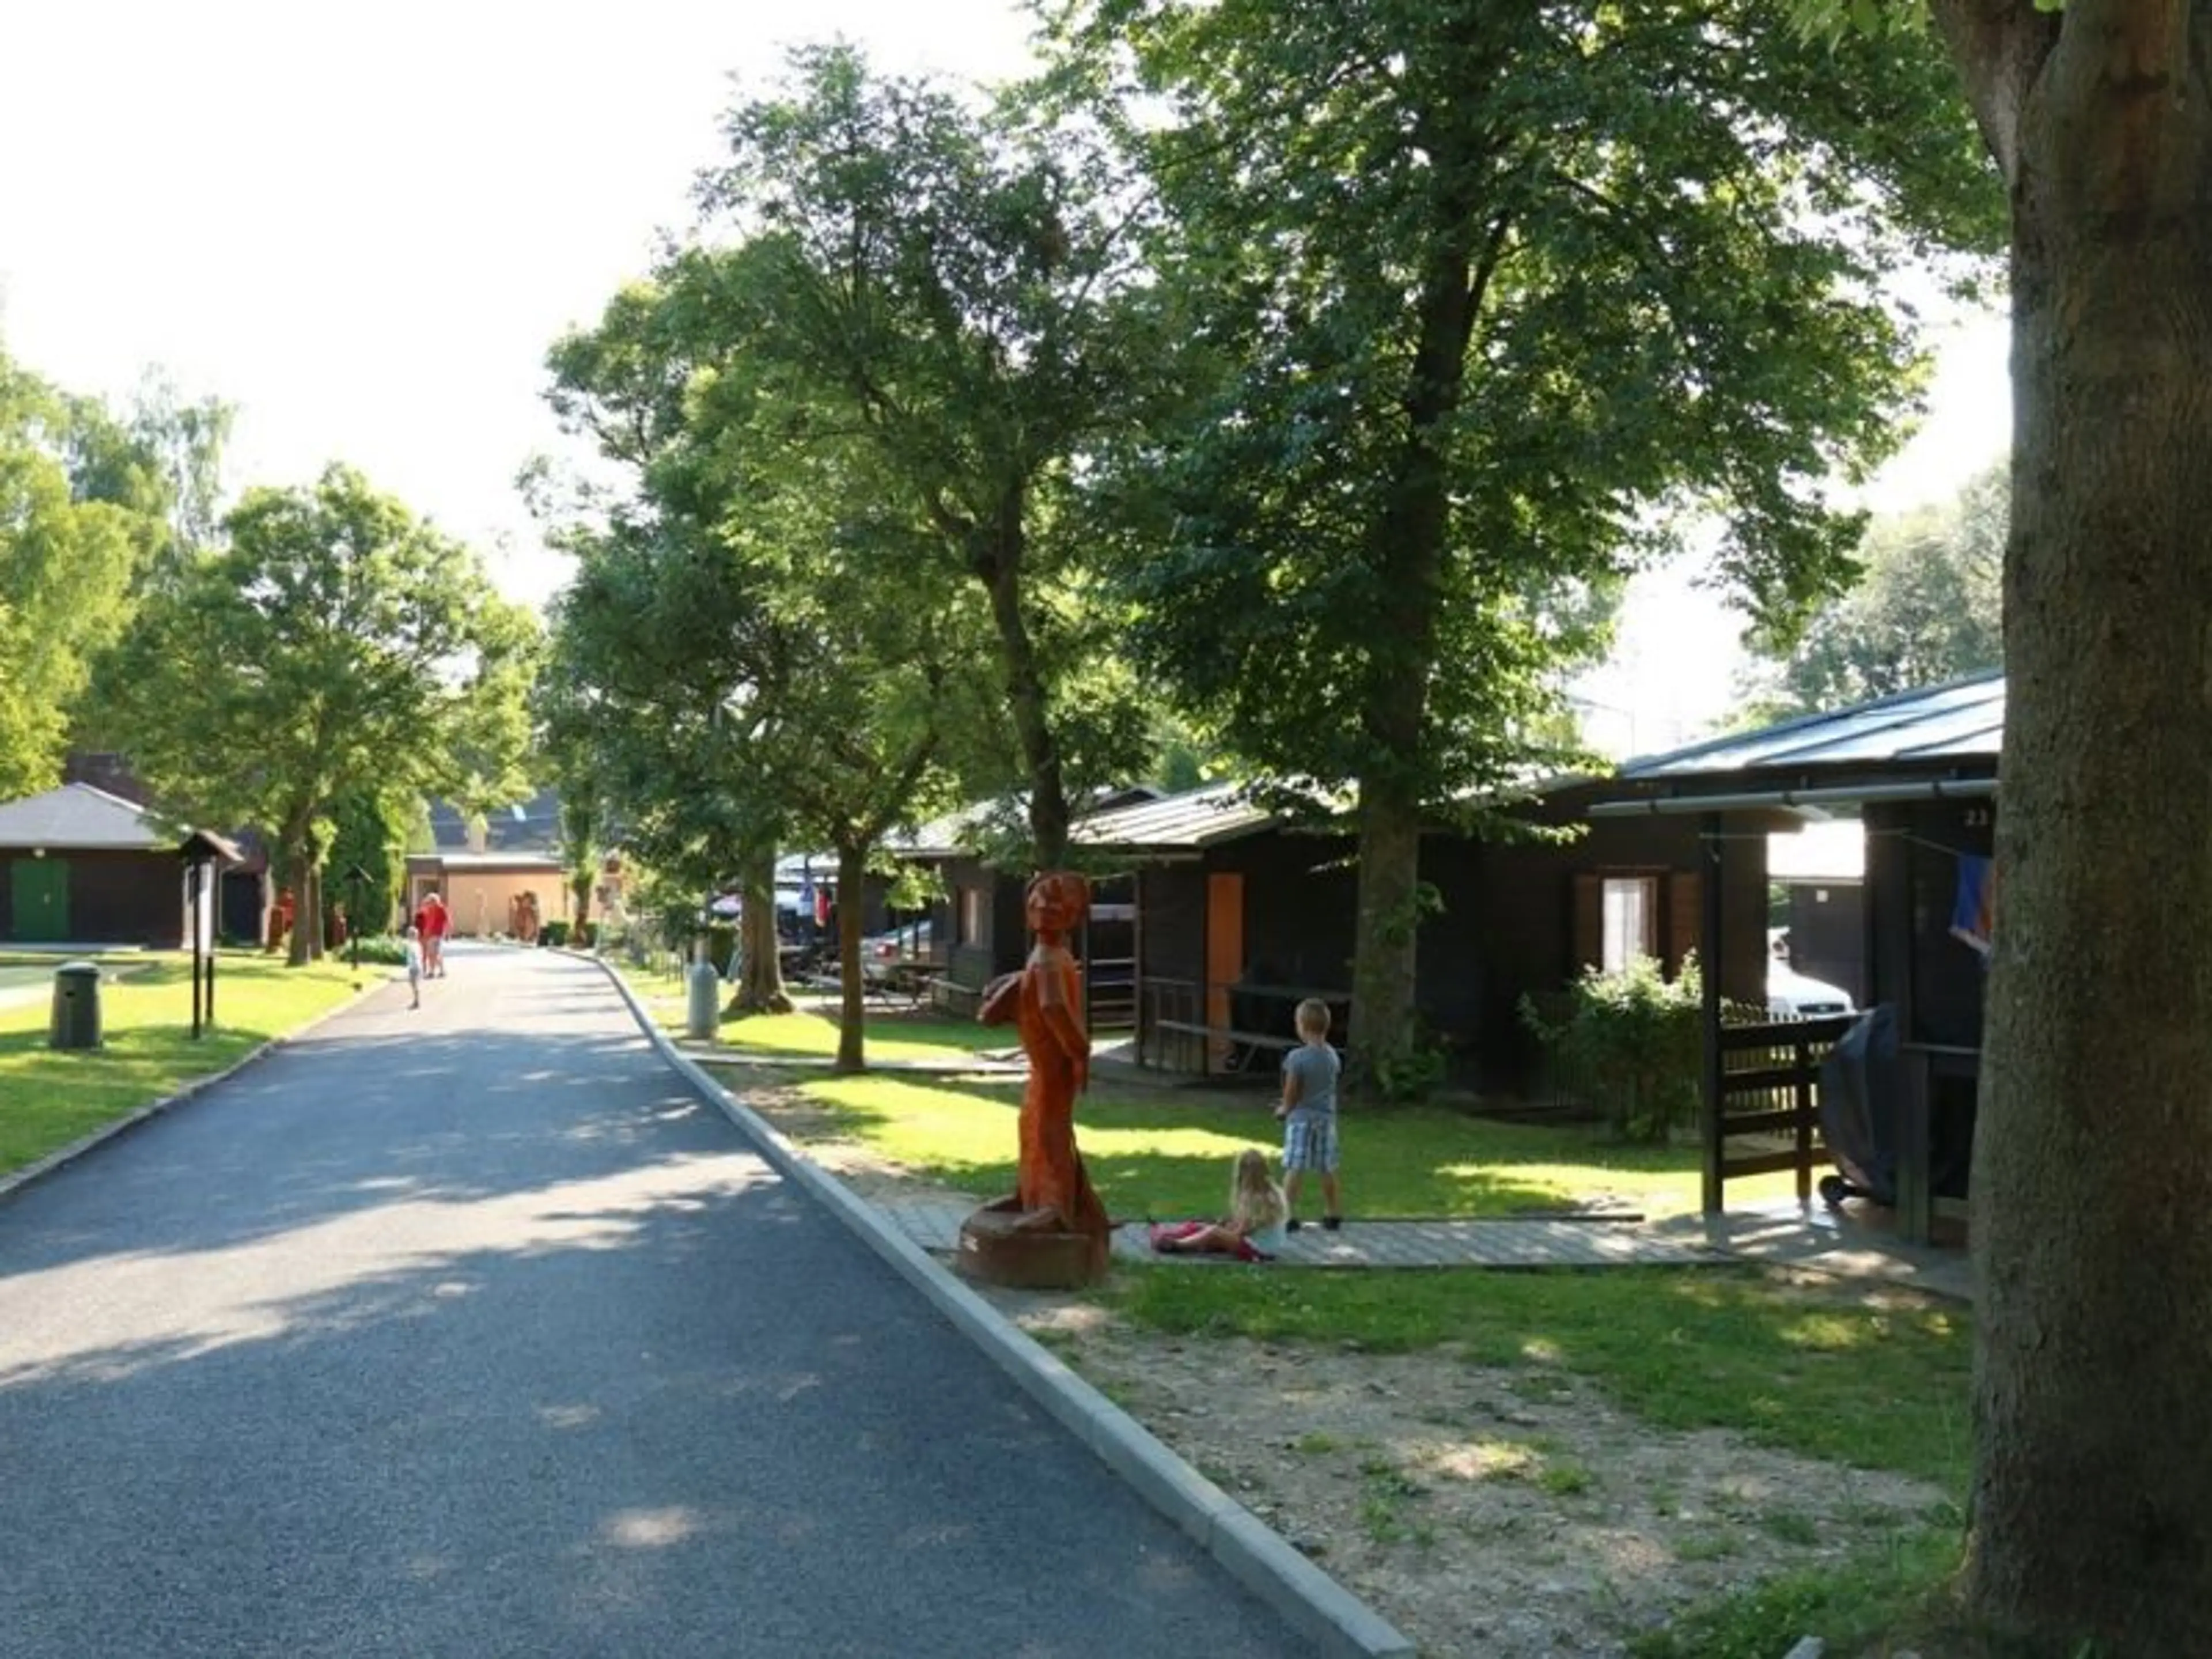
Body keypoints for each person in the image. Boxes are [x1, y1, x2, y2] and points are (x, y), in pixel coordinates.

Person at [978, 871, 1110, 1253]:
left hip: (1055, 1068)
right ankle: (1029, 1194)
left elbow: (1054, 1007)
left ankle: (1054, 1208)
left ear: (1072, 915)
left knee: (1051, 1132)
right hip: (1042, 1067)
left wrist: (1080, 1050)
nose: (1042, 909)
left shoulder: (1050, 960)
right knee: (1031, 1125)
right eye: (1036, 902)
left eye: (1054, 905)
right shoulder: (1045, 958)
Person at [1276, 996, 1343, 1231]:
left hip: (1301, 1120)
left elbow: (1292, 1092)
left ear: (1302, 1026)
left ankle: (1287, 1214)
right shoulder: (1332, 1056)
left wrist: (1284, 1108)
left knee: (1296, 1166)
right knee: (1327, 1166)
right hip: (1326, 1119)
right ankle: (1333, 1212)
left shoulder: (1297, 1058)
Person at [1152, 1149, 1289, 1259]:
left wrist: (1225, 1230)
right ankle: (1171, 1236)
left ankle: (1178, 1244)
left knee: (1213, 1232)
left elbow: (1245, 1229)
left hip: (1259, 1249)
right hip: (1254, 1242)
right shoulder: (1270, 1190)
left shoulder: (1260, 1198)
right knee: (1203, 1227)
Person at [421, 889, 449, 978]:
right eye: (428, 902)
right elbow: (428, 922)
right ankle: (434, 971)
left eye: (430, 901)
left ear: (435, 901)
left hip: (438, 934)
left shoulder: (441, 909)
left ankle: (439, 971)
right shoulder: (429, 909)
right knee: (431, 954)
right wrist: (425, 931)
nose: (428, 903)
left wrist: (446, 933)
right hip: (430, 934)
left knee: (436, 953)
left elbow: (447, 921)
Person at [403, 925, 425, 1010]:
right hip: (416, 967)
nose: (408, 936)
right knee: (413, 984)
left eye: (409, 934)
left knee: (414, 984)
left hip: (414, 967)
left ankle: (417, 1002)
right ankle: (416, 1001)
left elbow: (415, 955)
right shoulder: (417, 944)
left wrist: (413, 964)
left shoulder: (412, 945)